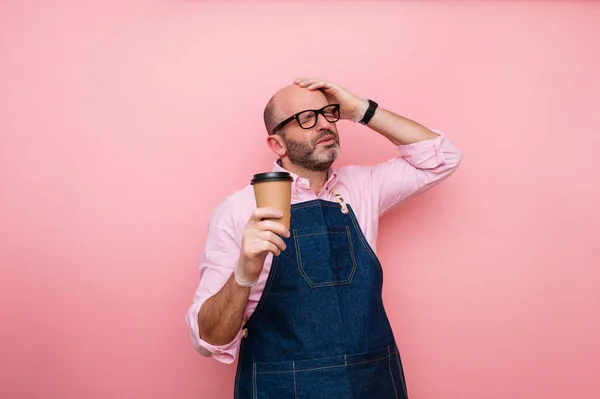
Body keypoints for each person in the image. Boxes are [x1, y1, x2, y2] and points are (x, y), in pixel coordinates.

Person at [185, 77, 462, 398]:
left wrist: (359, 109)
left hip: (371, 381)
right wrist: (243, 276)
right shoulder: (238, 210)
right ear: (277, 144)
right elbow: (207, 339)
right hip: (282, 388)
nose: (324, 125)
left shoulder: (363, 186)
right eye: (305, 118)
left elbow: (443, 157)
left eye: (329, 113)